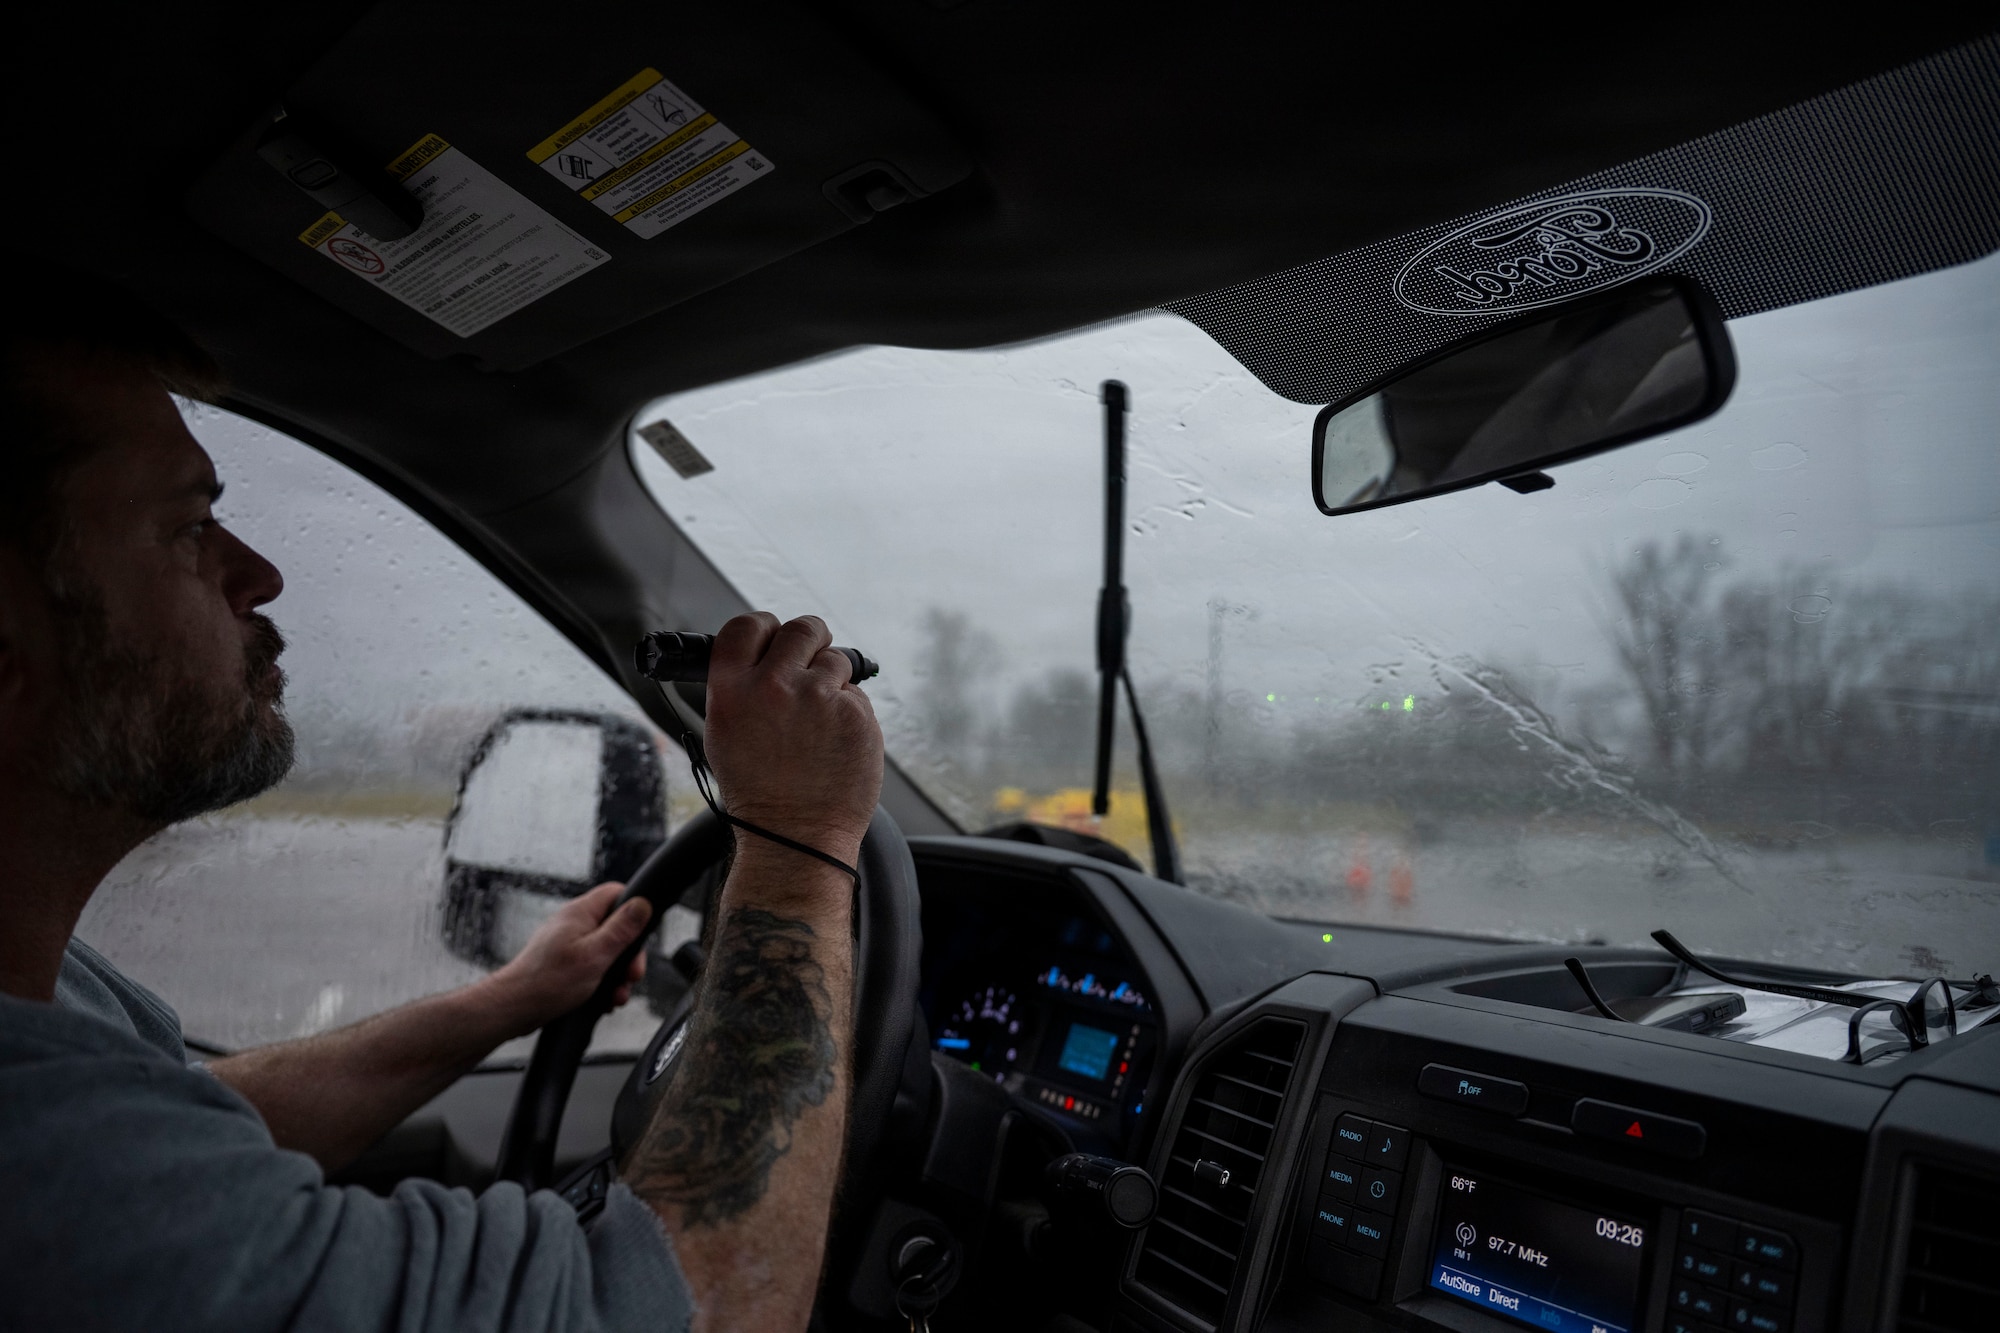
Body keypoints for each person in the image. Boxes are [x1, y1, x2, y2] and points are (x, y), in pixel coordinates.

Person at [0, 276, 885, 1331]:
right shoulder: (34, 1144)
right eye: (190, 528)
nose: (262, 573)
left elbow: (193, 1133)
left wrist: (506, 1000)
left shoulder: (57, 1041)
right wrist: (798, 844)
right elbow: (708, 1311)